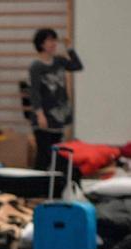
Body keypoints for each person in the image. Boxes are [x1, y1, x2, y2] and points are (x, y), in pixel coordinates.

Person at [27, 28, 83, 170]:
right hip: (44, 116)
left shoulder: (59, 61)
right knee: (44, 155)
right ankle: (36, 186)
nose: (53, 43)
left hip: (58, 116)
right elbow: (34, 92)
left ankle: (51, 184)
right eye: (49, 40)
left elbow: (77, 66)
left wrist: (69, 48)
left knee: (54, 153)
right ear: (41, 44)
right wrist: (40, 114)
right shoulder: (36, 67)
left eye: (54, 40)